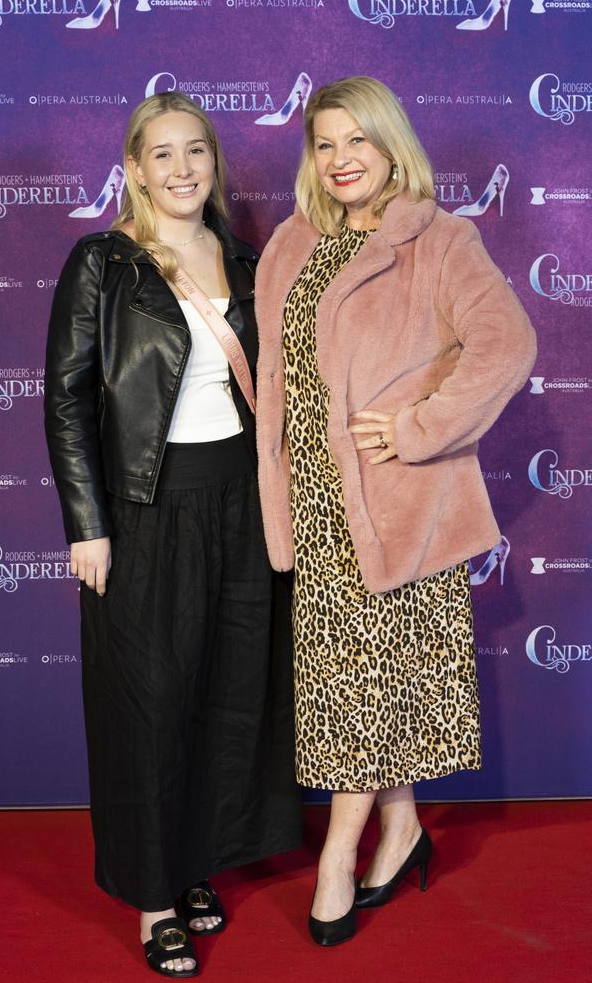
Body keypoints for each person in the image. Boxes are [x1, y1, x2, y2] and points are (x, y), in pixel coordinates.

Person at [254, 76, 536, 946]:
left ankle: (341, 851)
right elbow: (280, 375)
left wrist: (420, 427)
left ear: (390, 146)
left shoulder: (439, 238)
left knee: (365, 690)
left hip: (398, 508)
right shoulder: (292, 243)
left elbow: (507, 343)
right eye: (325, 144)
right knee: (361, 687)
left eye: (357, 142)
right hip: (315, 505)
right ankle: (404, 824)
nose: (340, 160)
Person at [44, 92, 300, 977]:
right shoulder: (102, 264)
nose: (183, 168)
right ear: (134, 169)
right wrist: (88, 523)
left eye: (197, 151)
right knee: (149, 707)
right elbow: (68, 399)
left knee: (229, 695)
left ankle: (199, 865)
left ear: (214, 165)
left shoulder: (245, 256)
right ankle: (157, 899)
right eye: (163, 154)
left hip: (240, 504)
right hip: (147, 511)